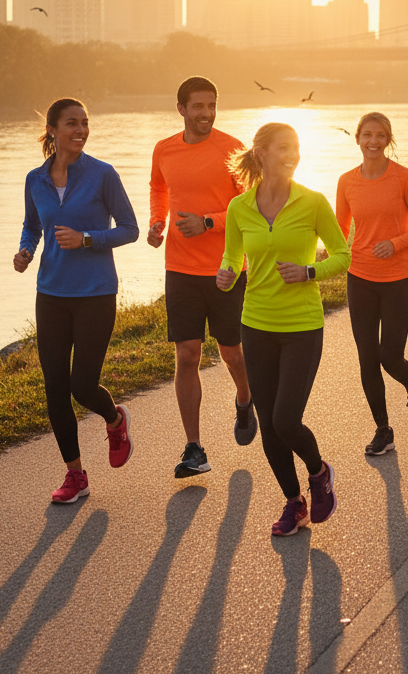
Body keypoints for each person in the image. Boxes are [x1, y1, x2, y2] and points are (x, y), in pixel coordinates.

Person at [217, 123, 350, 537]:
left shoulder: (312, 202)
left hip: (301, 326)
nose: (292, 154)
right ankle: (294, 503)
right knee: (269, 424)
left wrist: (310, 270)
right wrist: (225, 273)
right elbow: (233, 256)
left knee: (286, 419)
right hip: (256, 324)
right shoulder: (240, 207)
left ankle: (319, 471)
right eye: (283, 148)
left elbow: (344, 255)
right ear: (261, 153)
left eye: (296, 147)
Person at [14, 98, 139, 504]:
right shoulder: (35, 179)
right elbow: (33, 225)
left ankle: (115, 419)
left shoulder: (102, 175)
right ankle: (76, 475)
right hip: (50, 293)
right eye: (72, 123)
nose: (81, 130)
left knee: (82, 385)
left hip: (96, 293)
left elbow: (130, 229)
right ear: (52, 130)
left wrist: (88, 240)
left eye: (85, 122)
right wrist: (26, 251)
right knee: (54, 388)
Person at [149, 76, 256, 480]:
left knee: (231, 353)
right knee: (187, 354)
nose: (206, 113)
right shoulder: (164, 149)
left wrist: (209, 221)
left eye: (211, 105)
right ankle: (194, 447)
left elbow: (249, 208)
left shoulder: (232, 149)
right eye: (198, 106)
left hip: (226, 269)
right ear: (181, 109)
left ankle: (244, 399)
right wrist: (158, 223)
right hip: (179, 268)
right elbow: (159, 189)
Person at [337, 112, 408, 456]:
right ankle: (383, 429)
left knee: (390, 355)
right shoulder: (347, 181)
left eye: (380, 135)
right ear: (358, 138)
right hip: (359, 277)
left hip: (397, 279)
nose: (373, 141)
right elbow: (337, 231)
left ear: (388, 140)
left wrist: (395, 243)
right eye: (367, 135)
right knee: (367, 358)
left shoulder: (403, 178)